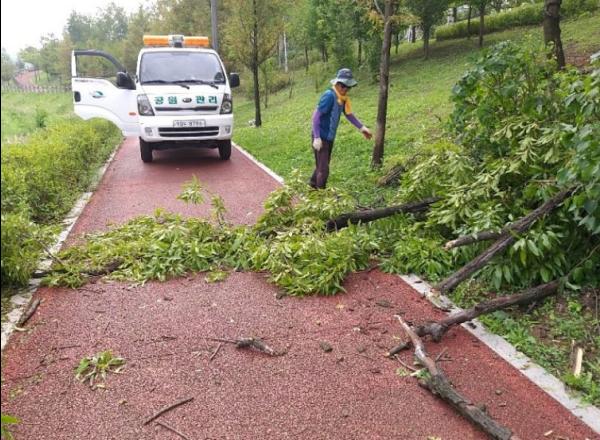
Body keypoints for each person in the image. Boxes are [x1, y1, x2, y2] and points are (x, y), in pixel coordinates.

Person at [309, 68, 372, 189]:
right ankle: (320, 195)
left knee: (322, 165)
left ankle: (312, 187)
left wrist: (362, 128)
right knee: (324, 169)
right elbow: (316, 116)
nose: (345, 89)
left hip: (329, 138)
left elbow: (349, 114)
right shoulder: (329, 96)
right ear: (337, 84)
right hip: (321, 137)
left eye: (348, 87)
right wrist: (316, 137)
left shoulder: (342, 99)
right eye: (343, 86)